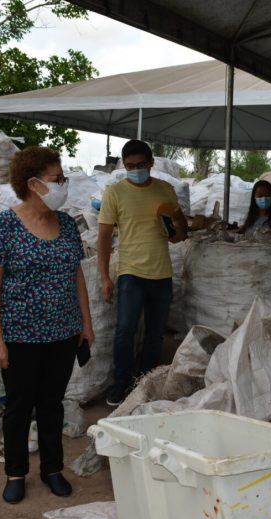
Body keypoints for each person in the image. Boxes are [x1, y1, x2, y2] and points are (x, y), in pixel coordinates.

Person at [0, 146, 94, 505]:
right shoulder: (5, 225)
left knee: (52, 404)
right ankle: (16, 473)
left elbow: (76, 275)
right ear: (33, 183)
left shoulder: (66, 224)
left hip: (62, 334)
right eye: (57, 178)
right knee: (18, 406)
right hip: (20, 336)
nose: (63, 184)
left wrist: (85, 324)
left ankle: (52, 469)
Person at [97, 140, 188, 407]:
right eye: (130, 166)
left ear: (151, 163)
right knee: (125, 331)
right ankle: (120, 384)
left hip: (161, 274)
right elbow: (103, 238)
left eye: (140, 165)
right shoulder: (114, 193)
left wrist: (177, 229)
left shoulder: (165, 190)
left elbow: (180, 230)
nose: (135, 170)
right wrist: (104, 277)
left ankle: (144, 382)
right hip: (131, 273)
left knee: (155, 333)